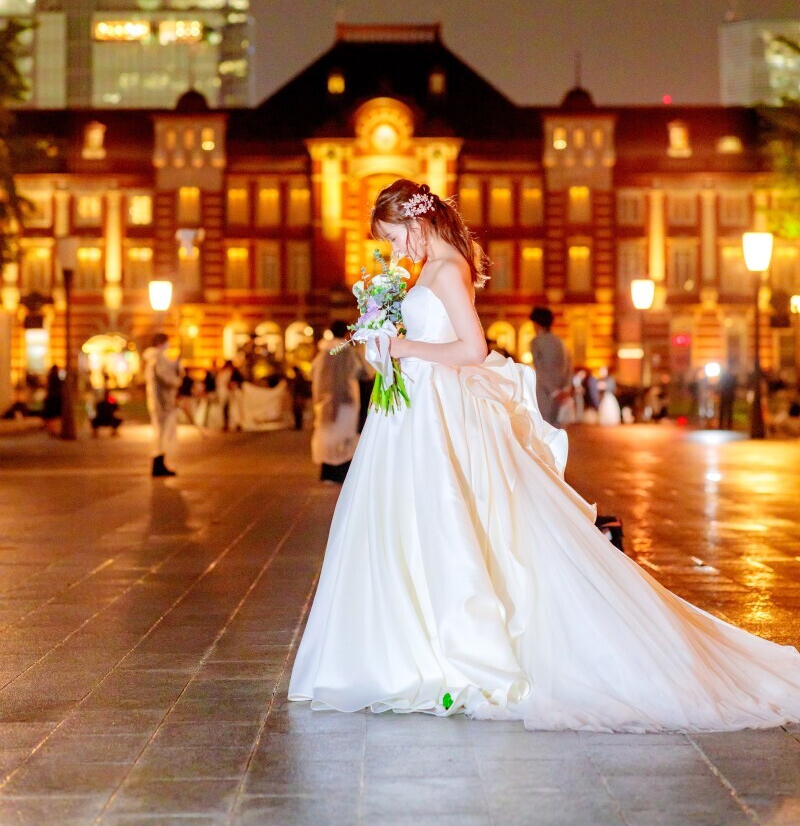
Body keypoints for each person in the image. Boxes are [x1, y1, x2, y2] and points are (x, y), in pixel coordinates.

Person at [289, 178, 800, 730]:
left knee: (444, 520)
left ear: (417, 222)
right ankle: (415, 648)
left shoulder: (447, 268)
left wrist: (401, 345)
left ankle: (449, 651)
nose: (394, 250)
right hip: (415, 409)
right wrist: (387, 346)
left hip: (436, 411)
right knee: (413, 523)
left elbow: (472, 348)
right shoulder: (429, 268)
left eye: (394, 237)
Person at [310, 321, 367, 484]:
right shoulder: (348, 351)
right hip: (347, 400)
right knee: (344, 435)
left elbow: (314, 373)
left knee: (327, 434)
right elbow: (361, 372)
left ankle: (328, 472)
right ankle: (342, 471)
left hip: (325, 402)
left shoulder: (322, 352)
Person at [142, 333, 182, 477]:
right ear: (160, 343)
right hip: (162, 403)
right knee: (162, 434)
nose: (169, 345)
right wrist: (177, 380)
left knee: (161, 433)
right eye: (167, 342)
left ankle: (160, 463)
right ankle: (158, 465)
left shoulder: (153, 359)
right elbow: (165, 377)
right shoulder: (158, 358)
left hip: (158, 402)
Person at [529, 306, 572, 427]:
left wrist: (554, 392)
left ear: (537, 324)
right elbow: (569, 367)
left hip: (545, 394)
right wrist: (565, 390)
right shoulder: (561, 342)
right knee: (557, 428)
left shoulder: (536, 342)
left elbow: (540, 370)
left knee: (543, 428)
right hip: (562, 394)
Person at [42, 364, 63, 434]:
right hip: (55, 398)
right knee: (54, 415)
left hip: (52, 397)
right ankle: (53, 429)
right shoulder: (55, 378)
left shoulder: (50, 377)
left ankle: (51, 429)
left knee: (51, 415)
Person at [717, 365, 737, 430]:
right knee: (728, 411)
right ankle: (727, 424)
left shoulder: (724, 378)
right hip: (727, 396)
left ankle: (723, 424)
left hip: (725, 396)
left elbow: (720, 386)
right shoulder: (732, 378)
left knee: (725, 411)